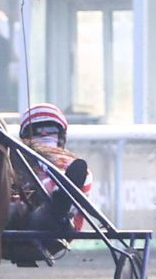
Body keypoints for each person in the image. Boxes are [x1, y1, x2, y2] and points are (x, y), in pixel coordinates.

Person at [5, 103, 91, 265]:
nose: (44, 134)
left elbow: (76, 210)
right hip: (8, 224)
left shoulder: (74, 167)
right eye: (37, 130)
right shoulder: (11, 164)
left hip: (53, 229)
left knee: (52, 207)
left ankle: (61, 197)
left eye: (50, 129)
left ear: (60, 136)